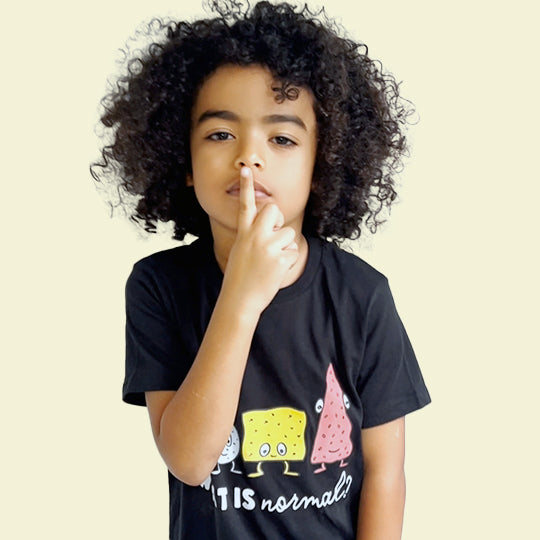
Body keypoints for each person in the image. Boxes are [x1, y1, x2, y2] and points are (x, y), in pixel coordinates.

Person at [91, 1, 431, 538]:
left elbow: (386, 471)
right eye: (221, 134)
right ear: (182, 160)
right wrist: (241, 297)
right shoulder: (158, 287)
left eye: (282, 138)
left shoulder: (362, 295)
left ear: (324, 164)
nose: (249, 157)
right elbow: (189, 460)